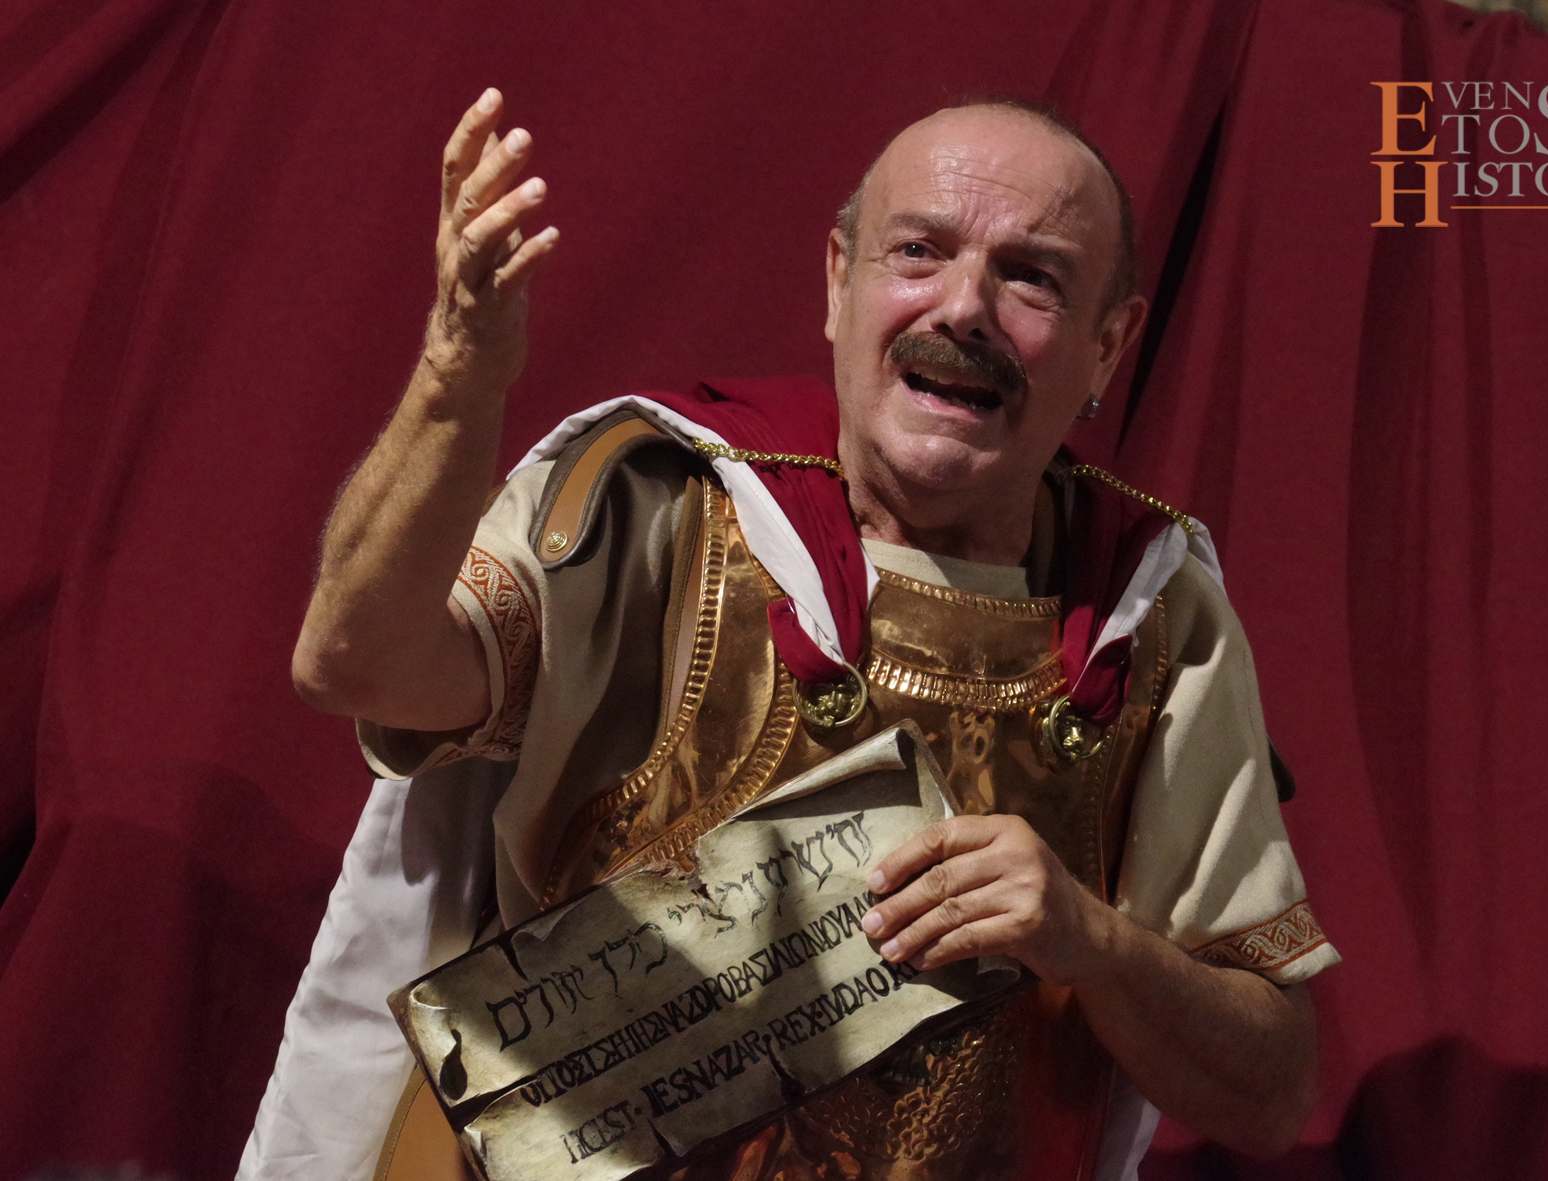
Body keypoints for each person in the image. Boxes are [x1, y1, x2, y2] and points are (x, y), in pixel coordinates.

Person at [241, 88, 1338, 1181]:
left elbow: (1270, 1092)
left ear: (1107, 346)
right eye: (919, 251)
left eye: (1031, 277)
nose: (964, 307)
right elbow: (354, 664)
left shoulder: (1154, 615)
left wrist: (1091, 943)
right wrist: (457, 375)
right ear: (837, 281)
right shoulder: (657, 506)